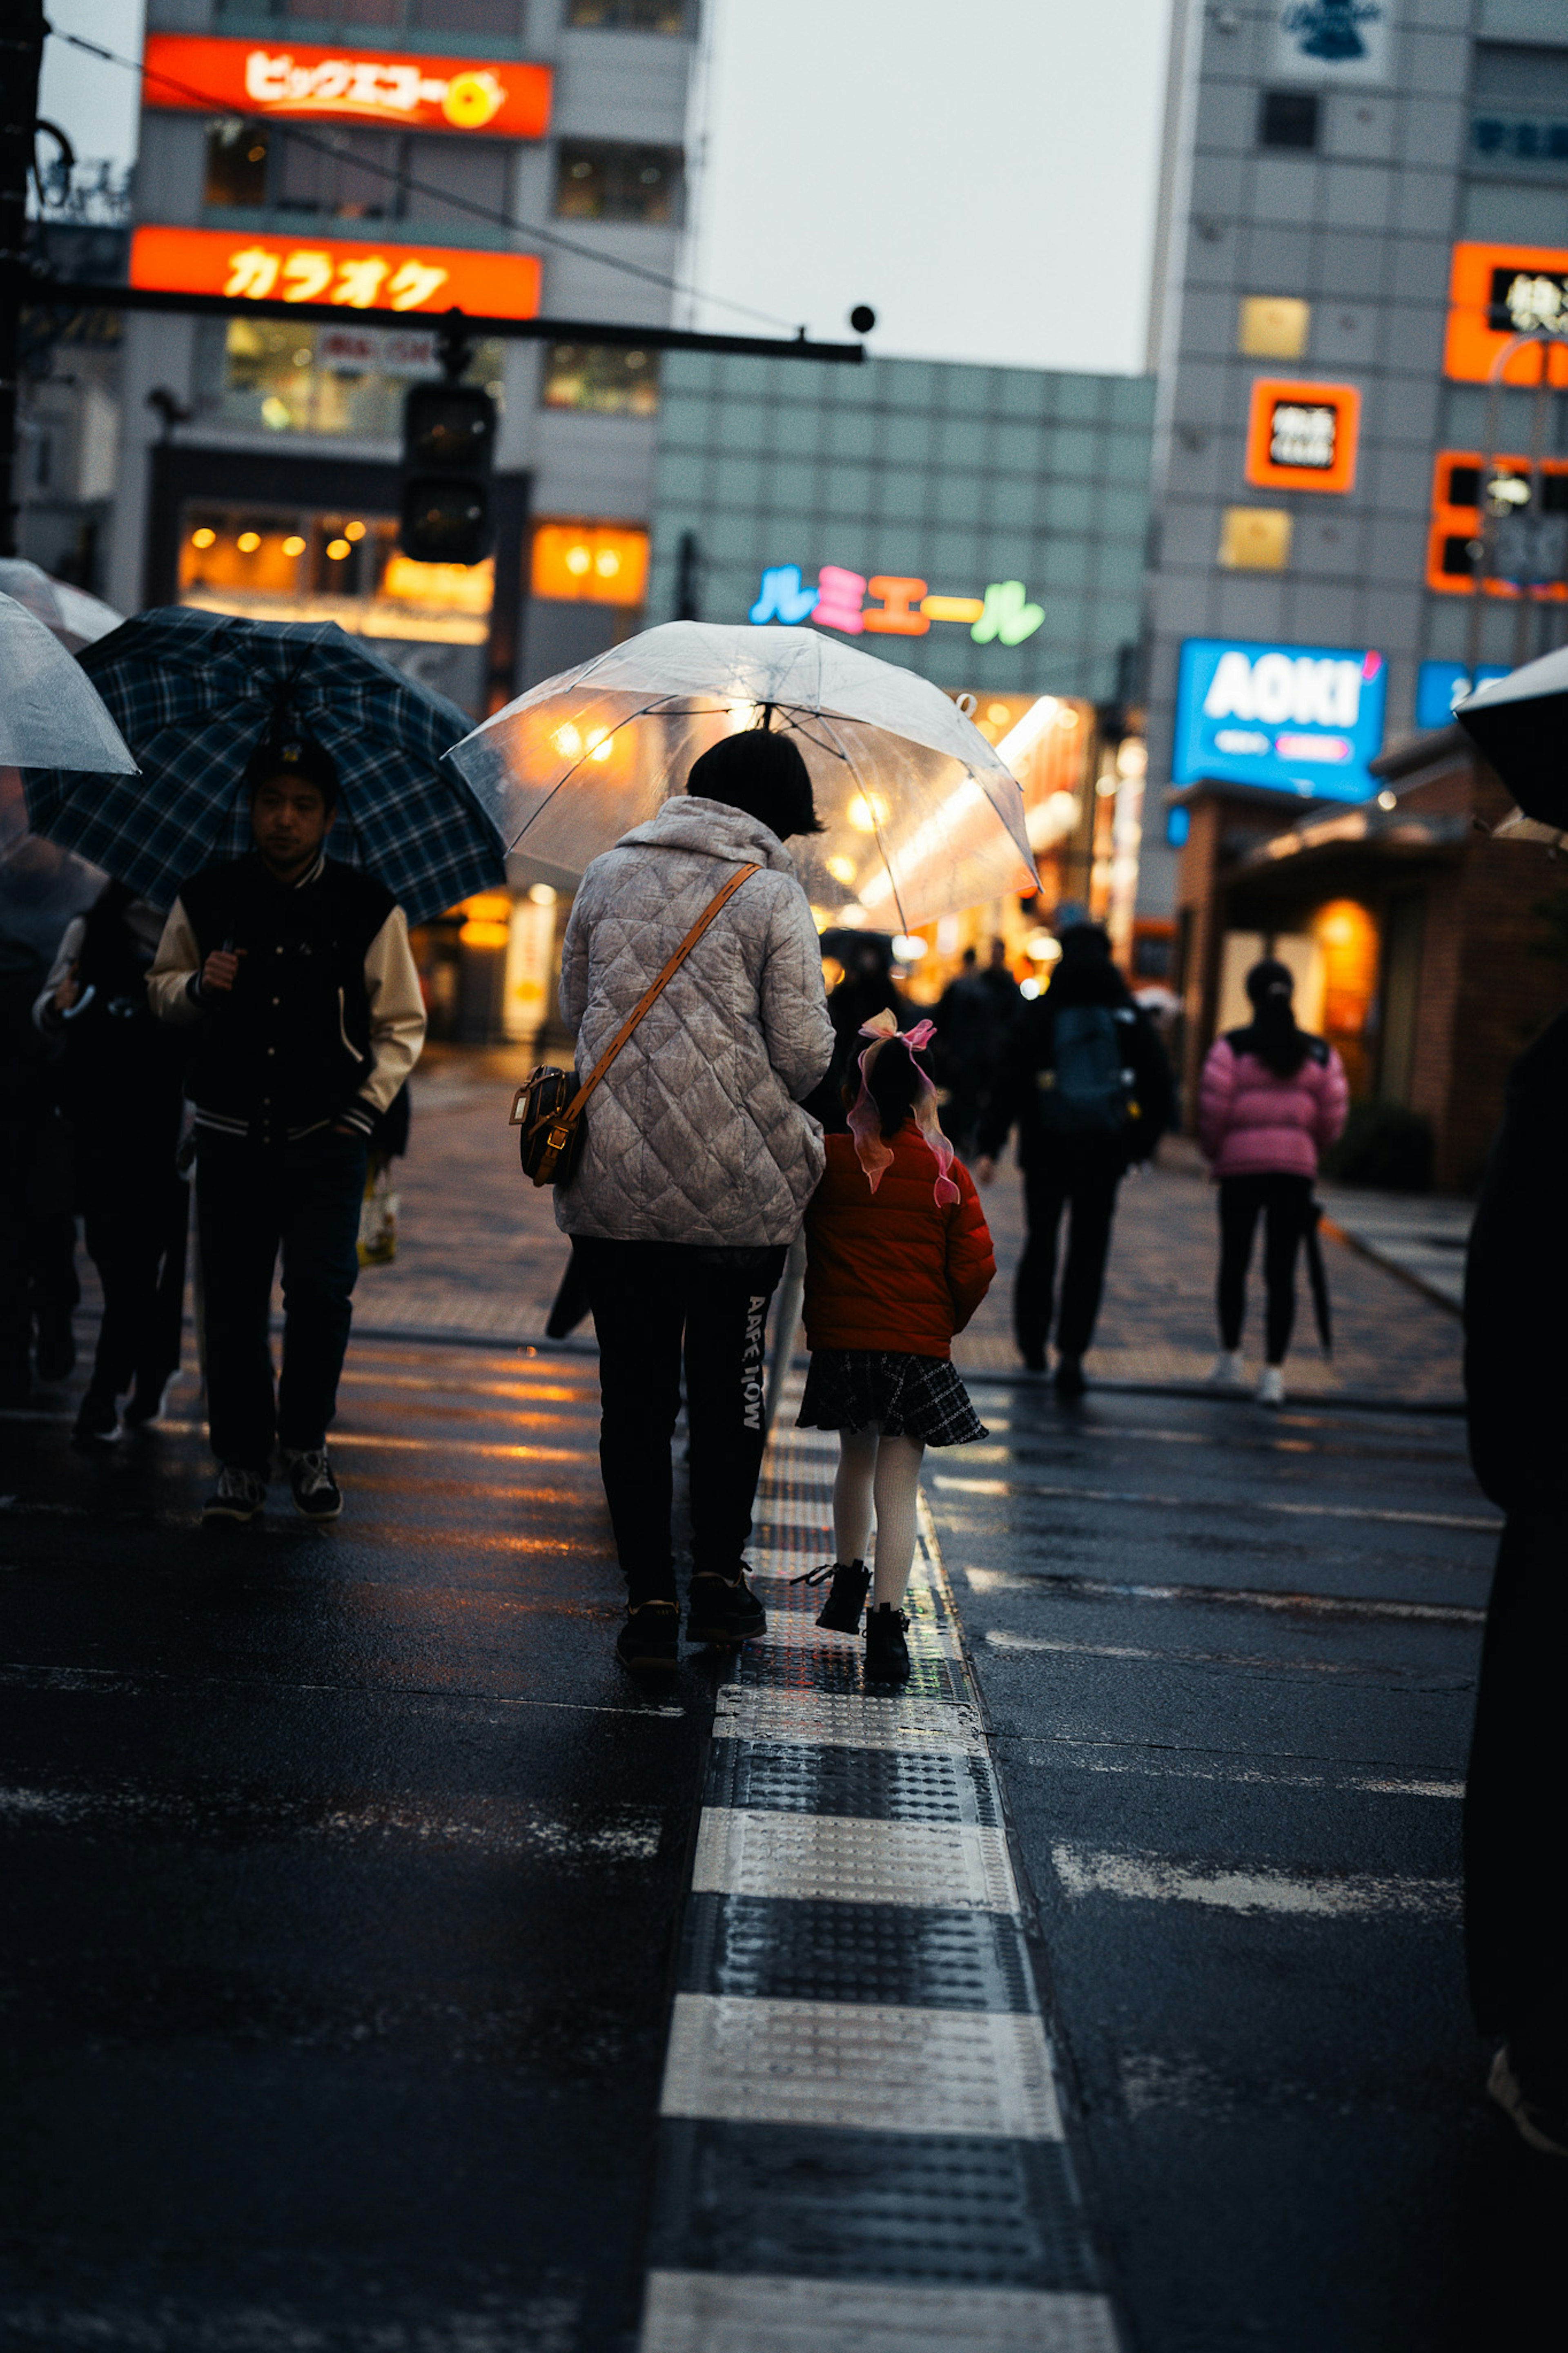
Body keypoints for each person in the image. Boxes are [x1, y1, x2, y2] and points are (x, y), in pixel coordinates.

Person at [558, 727, 835, 1675]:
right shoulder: (771, 896)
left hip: (614, 1192)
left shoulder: (603, 875)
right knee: (732, 1393)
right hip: (737, 1201)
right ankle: (718, 1577)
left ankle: (647, 1595)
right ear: (771, 818)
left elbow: (576, 1008)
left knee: (631, 1399)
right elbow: (802, 1057)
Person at [148, 736, 426, 1523]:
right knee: (231, 1303)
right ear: (252, 807)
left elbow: (401, 1023)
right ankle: (239, 1460)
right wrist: (199, 986)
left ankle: (305, 1443)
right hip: (232, 1135)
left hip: (327, 1137)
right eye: (272, 801)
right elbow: (161, 990)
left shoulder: (367, 906)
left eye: (304, 806)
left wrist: (362, 1112)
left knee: (320, 1294)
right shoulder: (208, 897)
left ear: (328, 818)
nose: (285, 819)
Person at [795, 1011, 995, 1682]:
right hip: (915, 1348)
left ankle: (846, 1585)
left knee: (853, 1459)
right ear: (918, 1094)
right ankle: (887, 1631)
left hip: (845, 1343)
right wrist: (942, 1322)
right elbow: (976, 1265)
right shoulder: (944, 1167)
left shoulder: (826, 1158)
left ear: (855, 1091)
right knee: (899, 1486)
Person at [1461, 1007, 1568, 2157]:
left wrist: (1519, 1464)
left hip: (1558, 1486)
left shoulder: (1556, 1069)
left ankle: (1541, 2051)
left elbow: (1510, 1262)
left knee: (1541, 1760)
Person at [976, 920, 1172, 1394]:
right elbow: (1158, 1082)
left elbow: (1011, 1077)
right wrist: (1140, 1145)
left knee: (1041, 1240)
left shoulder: (1044, 1009)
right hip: (1103, 1150)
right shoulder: (1125, 1010)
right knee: (1089, 1248)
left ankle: (1032, 1344)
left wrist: (991, 1144)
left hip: (1046, 1146)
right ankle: (1073, 1353)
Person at [34, 881, 189, 1443]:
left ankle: (106, 1391)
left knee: (140, 1267)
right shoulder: (90, 926)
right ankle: (143, 1374)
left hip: (163, 1130)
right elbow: (50, 1012)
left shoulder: (199, 934)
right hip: (96, 1123)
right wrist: (59, 1004)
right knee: (111, 1256)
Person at [1196, 958, 1348, 1408]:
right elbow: (1332, 1117)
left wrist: (1215, 1152)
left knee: (1235, 1264)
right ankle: (1274, 1375)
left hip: (1240, 1172)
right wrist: (1307, 1150)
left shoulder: (1233, 1047)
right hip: (1294, 1174)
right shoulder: (1319, 1052)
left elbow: (1212, 1111)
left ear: (1250, 996)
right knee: (1282, 1273)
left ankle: (1229, 1358)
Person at [932, 946, 999, 1157]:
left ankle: (956, 1137)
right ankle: (966, 1136)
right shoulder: (983, 989)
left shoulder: (956, 986)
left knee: (955, 1099)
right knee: (970, 1100)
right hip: (974, 1056)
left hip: (957, 1053)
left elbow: (941, 1019)